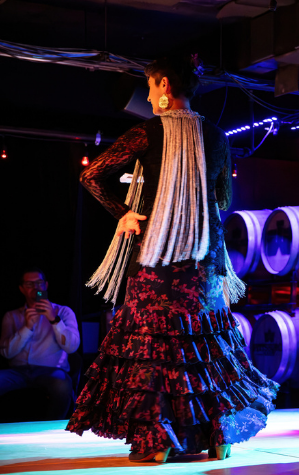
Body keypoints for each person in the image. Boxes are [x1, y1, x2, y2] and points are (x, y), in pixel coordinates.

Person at [66, 55, 279, 463]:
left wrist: (125, 211)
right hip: (203, 258)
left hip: (156, 255)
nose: (147, 95)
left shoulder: (146, 132)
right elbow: (223, 201)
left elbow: (91, 176)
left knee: (156, 347)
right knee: (205, 345)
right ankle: (218, 439)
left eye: (149, 87)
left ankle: (158, 441)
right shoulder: (216, 135)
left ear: (164, 85)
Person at [0, 267, 80, 420]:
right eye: (29, 284)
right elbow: (6, 353)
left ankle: (52, 431)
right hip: (18, 372)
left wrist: (54, 320)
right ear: (22, 289)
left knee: (61, 385)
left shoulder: (63, 312)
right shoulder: (11, 316)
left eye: (39, 283)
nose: (35, 288)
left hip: (50, 371)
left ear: (46, 285)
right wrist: (27, 327)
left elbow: (72, 347)